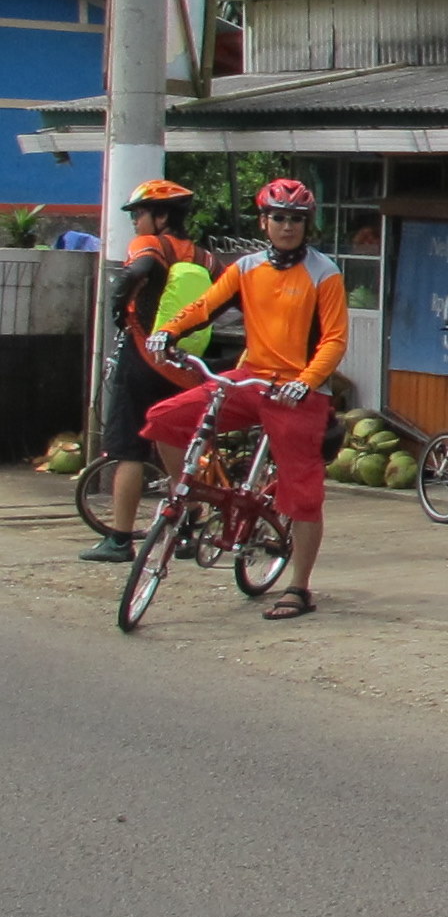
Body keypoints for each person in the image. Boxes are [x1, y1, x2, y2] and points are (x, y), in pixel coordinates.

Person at [143, 178, 349, 621]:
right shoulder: (247, 268)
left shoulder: (324, 273)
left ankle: (299, 587)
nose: (287, 226)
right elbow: (204, 306)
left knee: (304, 493)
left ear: (306, 225)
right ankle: (195, 502)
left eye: (296, 219)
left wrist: (308, 381)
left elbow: (334, 340)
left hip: (298, 390)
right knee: (164, 419)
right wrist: (168, 330)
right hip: (249, 378)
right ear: (264, 221)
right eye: (279, 217)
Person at [82, 178, 207, 563]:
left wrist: (119, 304)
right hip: (182, 368)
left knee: (129, 451)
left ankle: (119, 539)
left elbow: (141, 266)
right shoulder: (203, 257)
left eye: (139, 214)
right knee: (176, 449)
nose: (136, 222)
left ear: (162, 215)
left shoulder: (150, 244)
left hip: (141, 357)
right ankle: (189, 529)